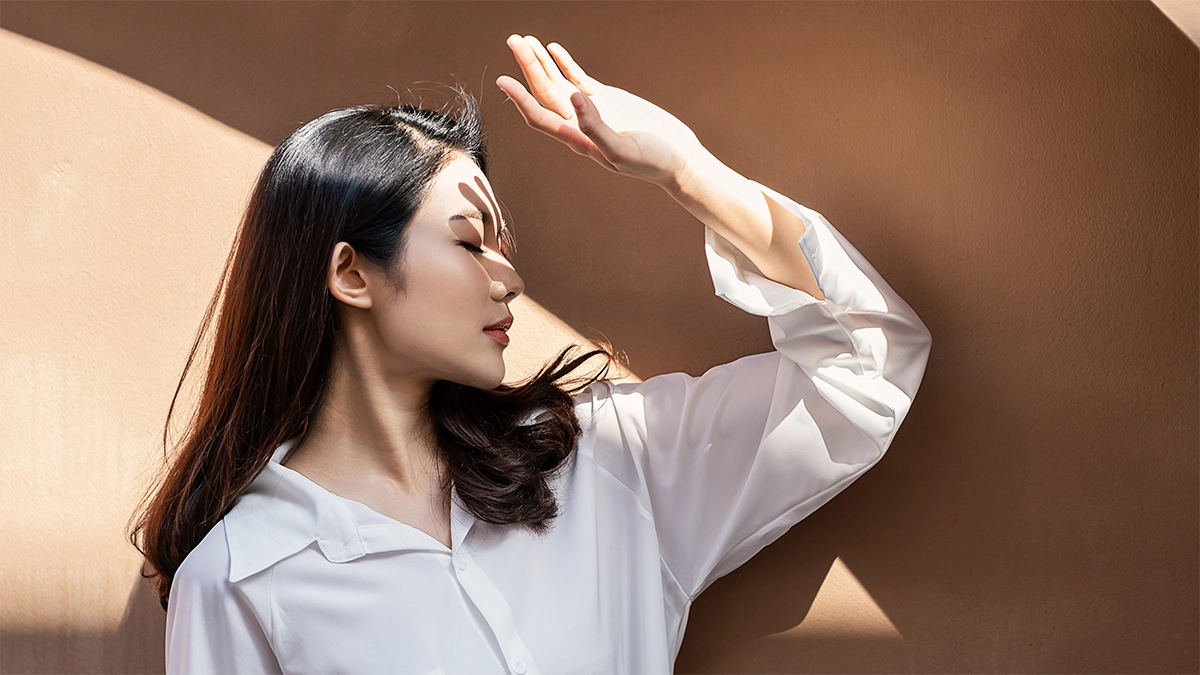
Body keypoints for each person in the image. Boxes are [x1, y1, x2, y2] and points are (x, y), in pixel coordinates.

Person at [129, 34, 932, 675]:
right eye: (471, 242)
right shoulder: (240, 573)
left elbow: (869, 363)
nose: (508, 276)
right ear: (350, 272)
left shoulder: (604, 464)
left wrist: (688, 170)